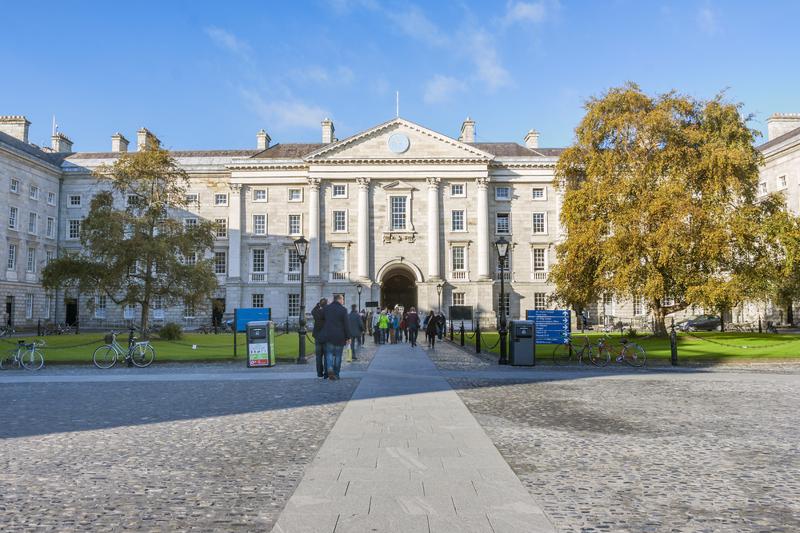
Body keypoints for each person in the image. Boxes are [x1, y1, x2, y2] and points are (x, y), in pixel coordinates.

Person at [320, 294, 352, 380]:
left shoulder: (326, 308)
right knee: (338, 356)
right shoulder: (343, 310)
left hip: (328, 335)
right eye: (343, 300)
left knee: (329, 354)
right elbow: (346, 325)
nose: (343, 301)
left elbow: (321, 319)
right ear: (340, 299)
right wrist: (348, 337)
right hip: (339, 336)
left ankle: (330, 369)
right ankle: (336, 373)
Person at [311, 298, 328, 378]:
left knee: (318, 356)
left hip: (318, 336)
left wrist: (317, 305)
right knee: (327, 356)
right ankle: (326, 373)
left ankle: (319, 373)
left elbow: (312, 311)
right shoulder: (328, 312)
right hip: (326, 336)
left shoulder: (316, 311)